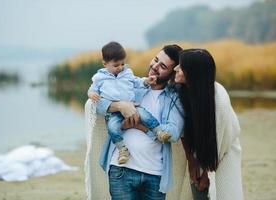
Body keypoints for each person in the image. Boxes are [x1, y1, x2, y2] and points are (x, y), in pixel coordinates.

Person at [94, 44, 184, 199]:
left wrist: (140, 126)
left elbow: (173, 133)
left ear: (172, 73)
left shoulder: (173, 99)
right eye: (155, 60)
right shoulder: (133, 85)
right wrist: (120, 106)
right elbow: (98, 105)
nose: (155, 66)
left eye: (162, 66)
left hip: (155, 175)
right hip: (121, 169)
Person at [173, 49, 243, 200]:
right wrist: (191, 162)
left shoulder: (218, 99)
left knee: (221, 193)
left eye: (181, 66)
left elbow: (220, 139)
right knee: (196, 192)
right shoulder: (182, 91)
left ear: (192, 72)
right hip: (198, 151)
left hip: (222, 153)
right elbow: (184, 131)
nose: (175, 68)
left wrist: (207, 173)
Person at [88, 41, 171, 165]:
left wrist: (146, 81)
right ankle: (122, 149)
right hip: (114, 113)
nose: (120, 67)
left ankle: (158, 131)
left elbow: (136, 82)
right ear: (105, 64)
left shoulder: (127, 72)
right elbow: (93, 91)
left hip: (132, 106)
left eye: (122, 63)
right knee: (112, 128)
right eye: (116, 65)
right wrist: (91, 94)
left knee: (145, 115)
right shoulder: (99, 77)